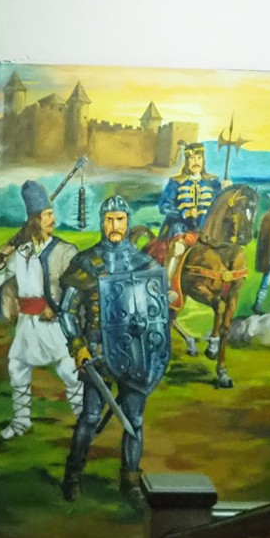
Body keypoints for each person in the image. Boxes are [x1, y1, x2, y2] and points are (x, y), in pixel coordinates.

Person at [57, 194, 171, 502]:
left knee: (134, 419)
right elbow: (65, 310)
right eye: (109, 220)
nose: (115, 226)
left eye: (120, 219)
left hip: (136, 353)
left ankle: (130, 481)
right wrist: (78, 346)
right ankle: (73, 475)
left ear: (128, 222)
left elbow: (157, 311)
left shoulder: (145, 264)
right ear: (102, 223)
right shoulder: (86, 263)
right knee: (91, 417)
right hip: (97, 351)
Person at [0, 179, 82, 440]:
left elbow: (76, 288)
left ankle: (84, 420)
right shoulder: (20, 252)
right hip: (27, 323)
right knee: (17, 368)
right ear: (34, 220)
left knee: (69, 371)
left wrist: (58, 309)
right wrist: (1, 260)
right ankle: (21, 421)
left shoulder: (65, 251)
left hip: (54, 323)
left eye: (51, 214)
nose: (52, 220)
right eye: (46, 215)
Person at [155, 141, 221, 308]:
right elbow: (164, 206)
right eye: (192, 158)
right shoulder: (176, 182)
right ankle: (167, 288)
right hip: (181, 228)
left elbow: (220, 206)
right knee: (177, 249)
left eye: (198, 158)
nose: (195, 162)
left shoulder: (213, 183)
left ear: (203, 160)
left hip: (206, 230)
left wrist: (227, 189)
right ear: (186, 161)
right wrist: (184, 213)